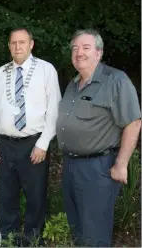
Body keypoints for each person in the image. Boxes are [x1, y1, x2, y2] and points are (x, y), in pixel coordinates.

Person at [56, 29, 141, 246]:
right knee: (78, 229)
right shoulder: (73, 85)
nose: (79, 53)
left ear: (99, 53)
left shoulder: (115, 80)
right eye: (75, 48)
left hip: (98, 169)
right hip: (70, 166)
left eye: (86, 47)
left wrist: (121, 164)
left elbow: (133, 122)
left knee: (95, 234)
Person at [0, 27, 61, 246]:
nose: (18, 46)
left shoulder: (46, 70)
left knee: (36, 197)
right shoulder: (0, 73)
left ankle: (32, 240)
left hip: (33, 144)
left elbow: (54, 110)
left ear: (31, 44)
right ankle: (8, 239)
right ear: (9, 46)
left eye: (22, 42)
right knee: (7, 196)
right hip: (4, 145)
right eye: (14, 43)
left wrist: (43, 144)